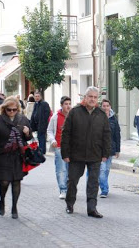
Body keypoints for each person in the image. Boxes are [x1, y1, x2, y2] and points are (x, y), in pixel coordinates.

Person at [61, 86, 111, 218]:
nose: (93, 99)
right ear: (85, 97)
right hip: (76, 154)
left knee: (93, 183)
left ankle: (92, 209)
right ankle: (70, 204)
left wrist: (106, 153)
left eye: (95, 97)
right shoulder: (74, 112)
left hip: (95, 154)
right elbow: (65, 133)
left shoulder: (101, 114)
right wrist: (65, 153)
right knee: (72, 181)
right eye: (90, 97)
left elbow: (106, 135)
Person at [0, 96, 32, 219]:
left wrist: (27, 133)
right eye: (9, 109)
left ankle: (14, 207)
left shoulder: (22, 119)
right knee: (4, 182)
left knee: (17, 181)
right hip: (3, 155)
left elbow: (28, 138)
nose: (11, 112)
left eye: (14, 109)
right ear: (4, 109)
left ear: (18, 109)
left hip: (18, 156)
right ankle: (2, 201)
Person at [47, 96, 72, 200]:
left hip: (72, 148)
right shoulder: (56, 117)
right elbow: (49, 130)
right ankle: (63, 189)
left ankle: (70, 188)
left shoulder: (73, 116)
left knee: (71, 170)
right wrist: (52, 140)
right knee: (61, 169)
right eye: (66, 104)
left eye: (69, 103)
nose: (68, 106)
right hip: (59, 147)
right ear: (61, 105)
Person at [99, 99, 121, 198]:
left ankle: (103, 185)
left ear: (110, 107)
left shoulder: (113, 119)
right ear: (101, 107)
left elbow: (117, 135)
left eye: (107, 105)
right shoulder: (97, 117)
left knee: (107, 170)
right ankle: (104, 190)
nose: (106, 107)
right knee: (102, 170)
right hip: (99, 149)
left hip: (111, 149)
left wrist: (117, 150)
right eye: (104, 106)